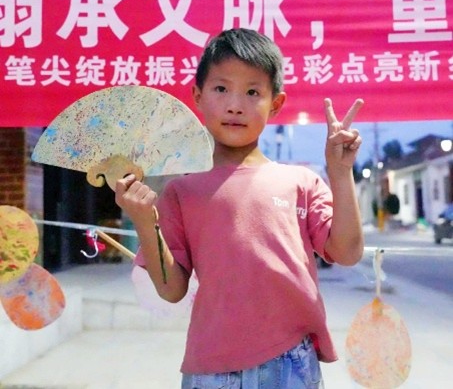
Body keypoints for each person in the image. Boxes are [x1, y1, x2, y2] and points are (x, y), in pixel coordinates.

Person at [115, 28, 364, 388]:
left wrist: (340, 172)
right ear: (198, 97)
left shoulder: (301, 182)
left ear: (275, 104)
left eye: (252, 92)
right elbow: (172, 290)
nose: (235, 105)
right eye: (221, 89)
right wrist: (144, 222)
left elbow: (348, 252)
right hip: (210, 367)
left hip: (290, 362)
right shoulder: (181, 192)